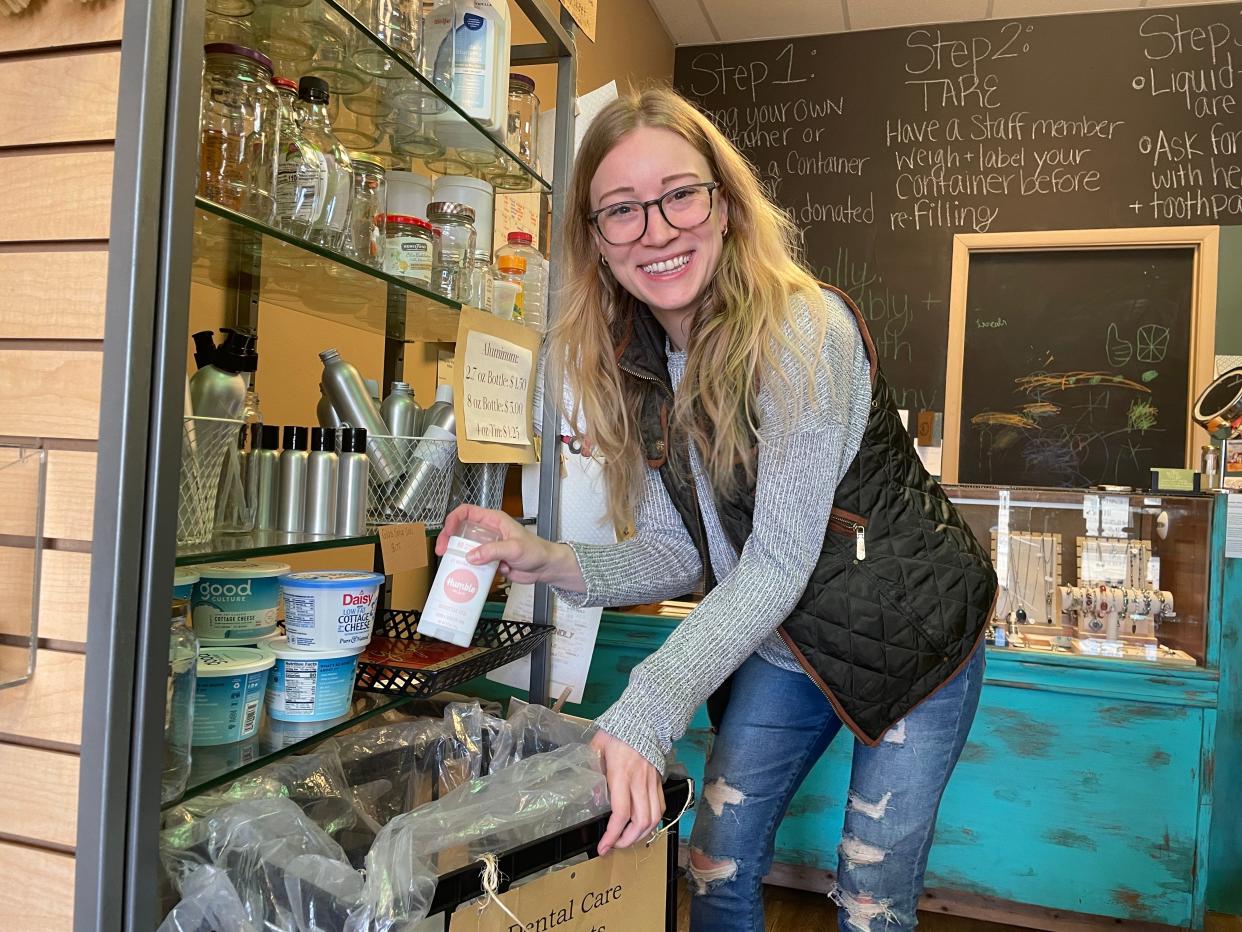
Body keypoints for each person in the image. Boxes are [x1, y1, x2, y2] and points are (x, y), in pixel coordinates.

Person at [436, 87, 997, 932]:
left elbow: (774, 563)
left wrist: (645, 710)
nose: (656, 229)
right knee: (716, 859)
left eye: (679, 195)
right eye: (621, 210)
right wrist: (545, 556)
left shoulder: (803, 332)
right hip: (788, 635)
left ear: (725, 205)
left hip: (914, 631)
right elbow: (680, 554)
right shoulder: (647, 362)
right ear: (596, 239)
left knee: (870, 894)